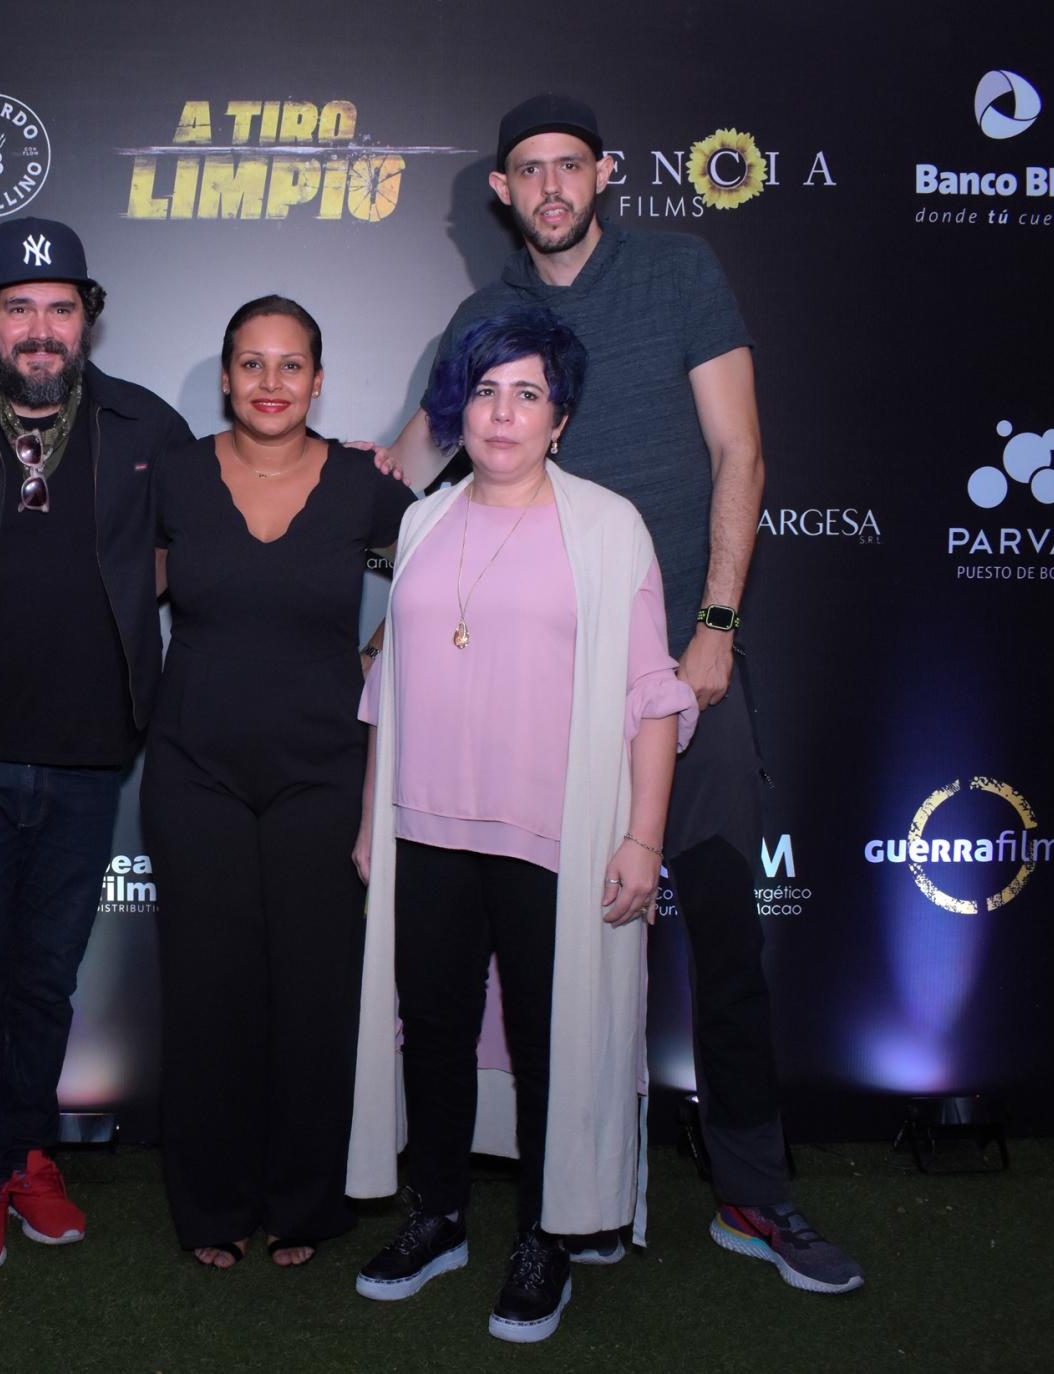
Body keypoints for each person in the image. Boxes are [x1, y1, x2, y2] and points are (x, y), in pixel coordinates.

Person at [381, 93, 865, 1296]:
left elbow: (738, 452)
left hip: (666, 663)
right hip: (522, 687)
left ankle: (752, 1194)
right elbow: (401, 469)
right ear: (499, 190)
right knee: (526, 963)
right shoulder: (485, 318)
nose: (548, 187)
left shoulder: (678, 270)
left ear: (600, 175)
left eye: (567, 167)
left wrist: (713, 625)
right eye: (524, 172)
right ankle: (528, 1193)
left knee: (717, 925)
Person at [348, 306, 695, 1343]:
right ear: (462, 407)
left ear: (560, 417)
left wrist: (640, 836)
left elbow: (649, 695)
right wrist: (374, 819)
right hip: (426, 828)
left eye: (525, 394)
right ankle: (439, 1215)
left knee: (550, 1044)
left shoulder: (606, 526)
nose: (501, 414)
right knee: (438, 1031)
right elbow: (386, 688)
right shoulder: (421, 521)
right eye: (485, 391)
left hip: (556, 834)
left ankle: (547, 1233)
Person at [0, 217, 194, 1273]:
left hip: (85, 755)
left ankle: (23, 1152)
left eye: (60, 307)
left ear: (87, 319)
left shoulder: (145, 425)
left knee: (45, 978)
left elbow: (189, 555)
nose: (40, 329)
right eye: (18, 308)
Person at [144, 296, 413, 1270]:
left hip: (319, 772)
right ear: (223, 378)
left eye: (288, 365)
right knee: (208, 997)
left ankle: (304, 1205)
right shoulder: (170, 476)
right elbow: (118, 590)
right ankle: (211, 1207)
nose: (268, 383)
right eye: (249, 365)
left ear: (317, 378)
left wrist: (378, 657)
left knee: (311, 997)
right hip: (193, 770)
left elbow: (444, 575)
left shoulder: (361, 484)